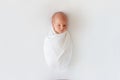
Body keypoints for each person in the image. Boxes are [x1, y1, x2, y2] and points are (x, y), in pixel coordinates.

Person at [44, 11, 72, 80]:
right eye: (58, 25)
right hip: (52, 60)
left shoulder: (66, 35)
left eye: (64, 25)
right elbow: (48, 46)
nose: (62, 27)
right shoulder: (50, 37)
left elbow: (68, 45)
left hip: (64, 64)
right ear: (53, 24)